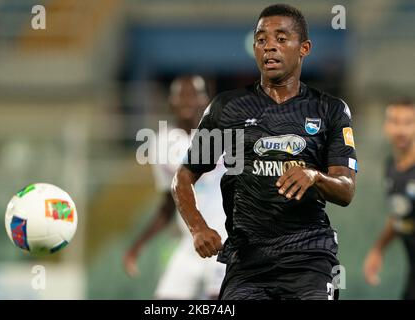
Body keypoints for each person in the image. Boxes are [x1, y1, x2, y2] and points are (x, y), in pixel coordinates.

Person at [172, 4, 357, 300]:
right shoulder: (227, 108)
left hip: (309, 260)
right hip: (247, 263)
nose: (269, 46)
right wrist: (197, 227)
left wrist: (314, 177)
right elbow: (183, 177)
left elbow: (346, 190)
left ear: (304, 48)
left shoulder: (330, 110)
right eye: (261, 40)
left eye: (281, 39)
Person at [123, 75, 227, 299]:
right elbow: (169, 204)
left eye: (193, 94)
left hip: (225, 242)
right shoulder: (161, 143)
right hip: (190, 244)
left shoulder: (223, 136)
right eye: (181, 95)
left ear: (204, 100)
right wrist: (138, 244)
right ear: (171, 101)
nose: (187, 100)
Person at [363, 100, 415, 300]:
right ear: (386, 126)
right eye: (395, 121)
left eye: (408, 122)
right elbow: (399, 215)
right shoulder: (391, 167)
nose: (400, 129)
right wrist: (378, 249)